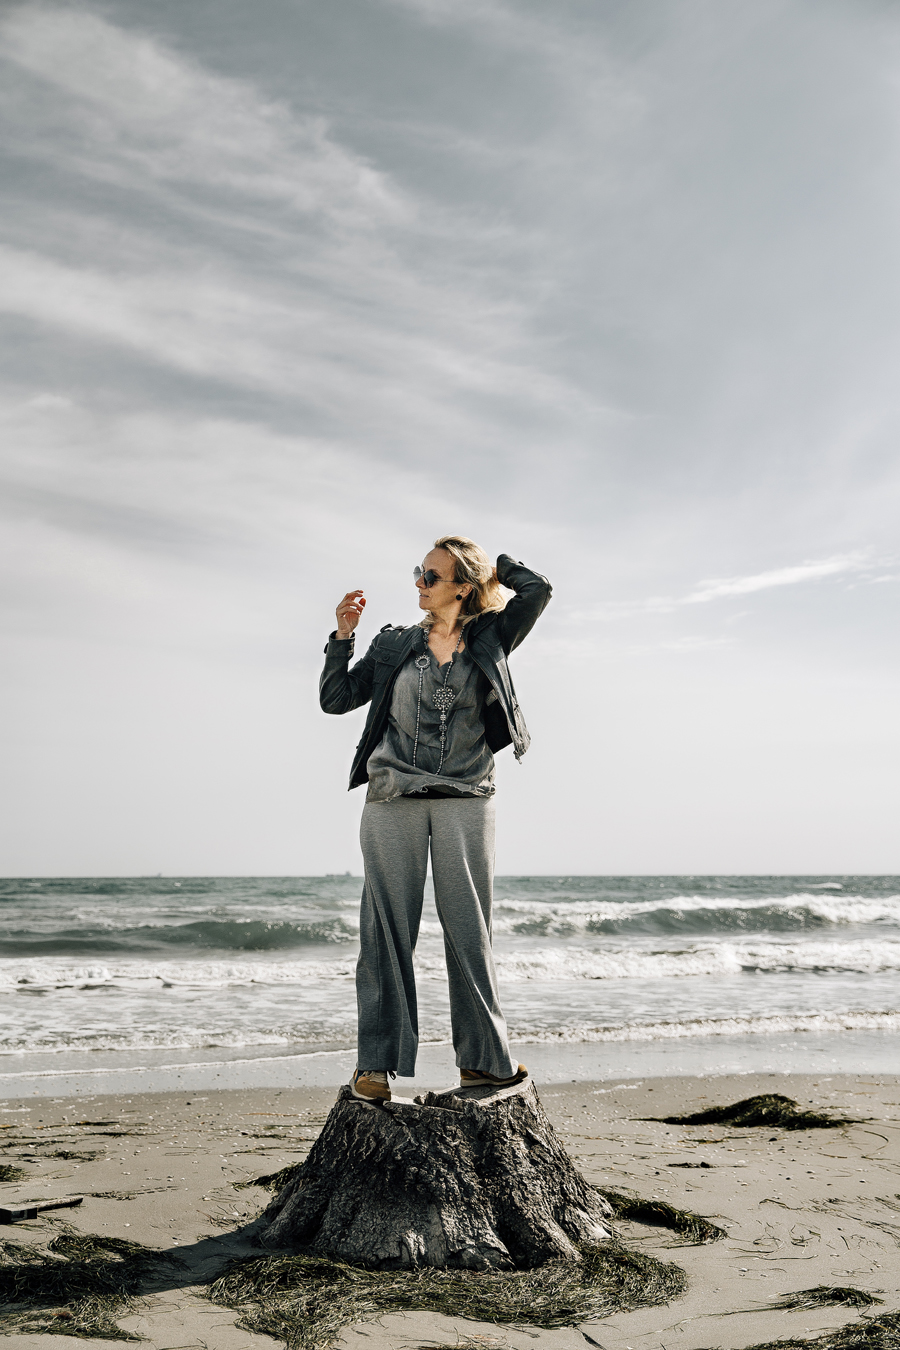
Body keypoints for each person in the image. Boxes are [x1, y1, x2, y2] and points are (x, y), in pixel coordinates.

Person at [319, 536, 551, 1103]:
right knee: (384, 934)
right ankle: (374, 1069)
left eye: (431, 575)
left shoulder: (492, 637)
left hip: (468, 800)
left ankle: (483, 1064)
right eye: (418, 573)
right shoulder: (394, 643)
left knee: (469, 932)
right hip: (393, 797)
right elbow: (337, 698)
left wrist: (500, 567)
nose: (419, 583)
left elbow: (537, 590)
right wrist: (343, 637)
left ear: (463, 588)